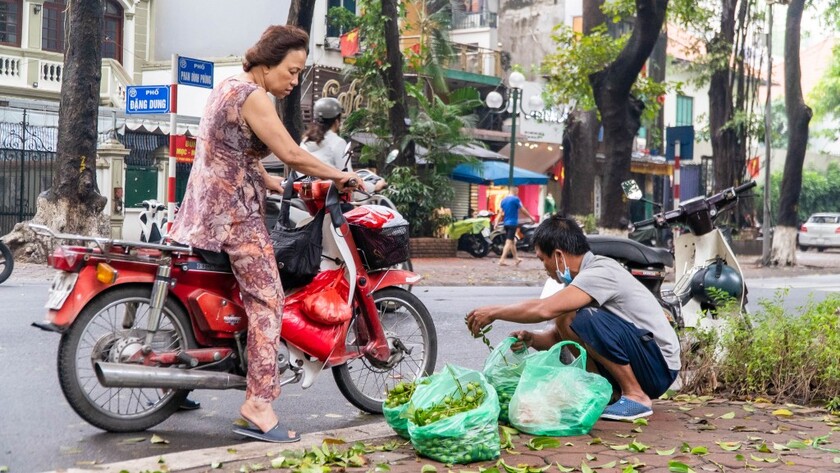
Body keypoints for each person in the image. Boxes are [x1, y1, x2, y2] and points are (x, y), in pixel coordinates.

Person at [168, 25, 358, 443]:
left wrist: (272, 184)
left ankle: (177, 380)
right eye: (291, 72)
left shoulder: (229, 86)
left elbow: (233, 148)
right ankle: (257, 404)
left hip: (207, 206)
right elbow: (292, 154)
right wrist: (341, 175)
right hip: (233, 216)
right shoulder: (252, 95)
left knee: (214, 287)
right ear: (267, 64)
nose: (294, 81)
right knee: (268, 298)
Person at [466, 214, 680, 421]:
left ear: (558, 255)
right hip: (646, 360)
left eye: (543, 260)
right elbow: (565, 334)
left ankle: (635, 396)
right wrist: (532, 339)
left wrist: (494, 312)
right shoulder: (581, 278)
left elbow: (544, 309)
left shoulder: (600, 271)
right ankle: (607, 393)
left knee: (582, 317)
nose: (545, 268)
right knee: (568, 317)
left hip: (659, 366)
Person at [300, 97, 387, 193]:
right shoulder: (338, 142)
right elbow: (348, 179)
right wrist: (374, 187)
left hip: (305, 196)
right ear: (337, 121)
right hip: (331, 200)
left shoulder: (305, 141)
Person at [498, 187, 534, 266]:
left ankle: (516, 259)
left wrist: (496, 222)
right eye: (517, 191)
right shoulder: (516, 199)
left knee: (512, 241)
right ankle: (502, 260)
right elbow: (522, 209)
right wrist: (530, 217)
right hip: (512, 223)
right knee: (508, 242)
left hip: (506, 223)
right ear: (516, 191)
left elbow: (500, 213)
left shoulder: (503, 200)